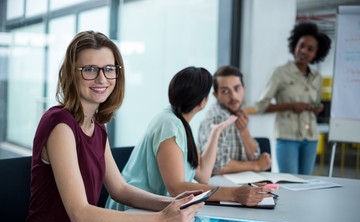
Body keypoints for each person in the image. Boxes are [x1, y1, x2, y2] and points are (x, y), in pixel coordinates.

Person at [24, 31, 204, 222]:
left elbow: (120, 189)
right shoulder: (60, 124)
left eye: (109, 69)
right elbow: (79, 213)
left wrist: (173, 203)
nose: (102, 78)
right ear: (72, 74)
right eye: (90, 69)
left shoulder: (98, 125)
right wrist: (160, 220)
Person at [106, 66, 273, 211]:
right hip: (135, 209)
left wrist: (215, 132)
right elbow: (177, 187)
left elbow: (203, 176)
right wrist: (235, 194)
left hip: (155, 208)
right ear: (203, 102)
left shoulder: (180, 122)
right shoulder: (170, 124)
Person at [254, 22, 331, 175]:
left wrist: (317, 108)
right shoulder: (280, 73)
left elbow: (314, 103)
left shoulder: (317, 77)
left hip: (311, 138)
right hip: (287, 137)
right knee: (289, 182)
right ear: (294, 45)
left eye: (310, 49)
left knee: (305, 182)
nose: (304, 51)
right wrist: (290, 105)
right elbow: (260, 106)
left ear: (316, 53)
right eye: (301, 46)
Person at [198, 65, 272, 175]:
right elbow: (217, 166)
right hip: (221, 185)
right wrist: (255, 165)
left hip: (242, 181)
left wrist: (244, 131)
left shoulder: (237, 112)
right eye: (225, 91)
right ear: (216, 95)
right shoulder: (217, 119)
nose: (233, 96)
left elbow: (254, 156)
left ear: (244, 88)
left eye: (237, 88)